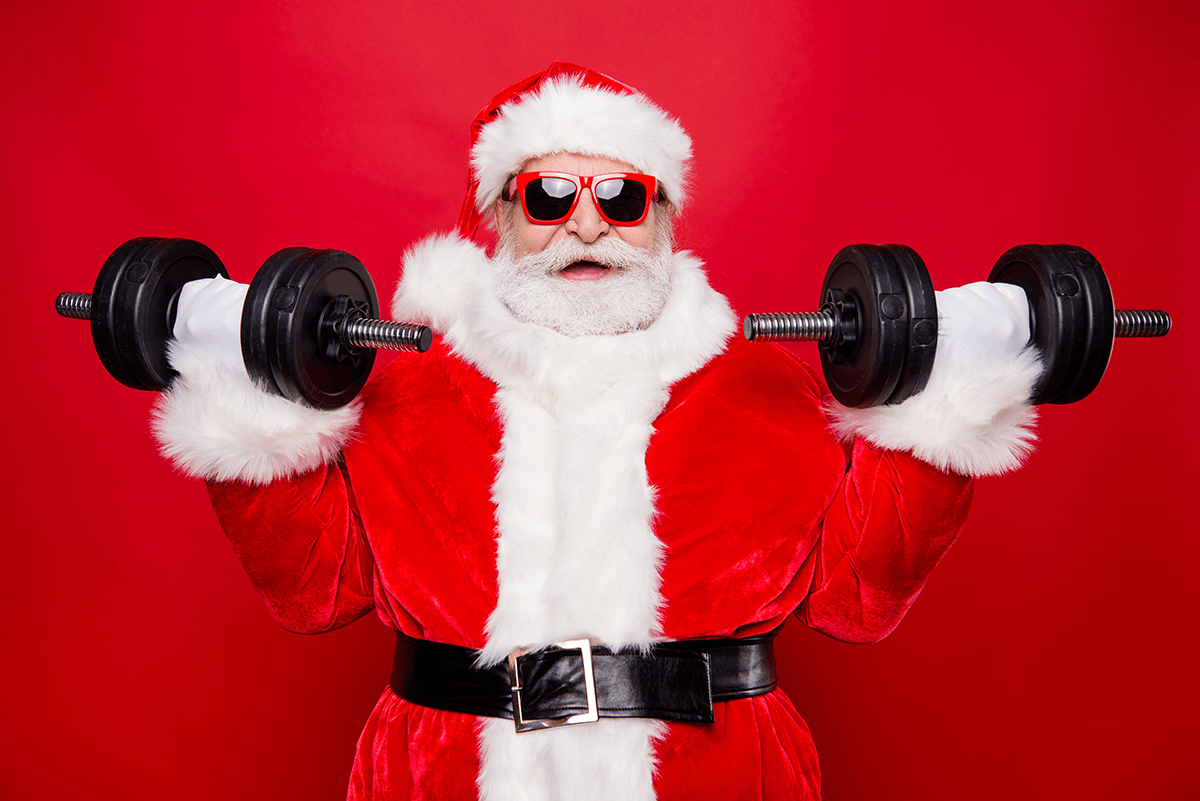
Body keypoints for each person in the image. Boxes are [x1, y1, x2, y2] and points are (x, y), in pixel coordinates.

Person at [152, 62, 1042, 800]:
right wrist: (247, 383)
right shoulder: (409, 390)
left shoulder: (760, 382)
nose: (587, 223)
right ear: (496, 216)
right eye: (547, 195)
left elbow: (858, 604)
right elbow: (310, 594)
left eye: (621, 195)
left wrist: (941, 394)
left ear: (662, 218)